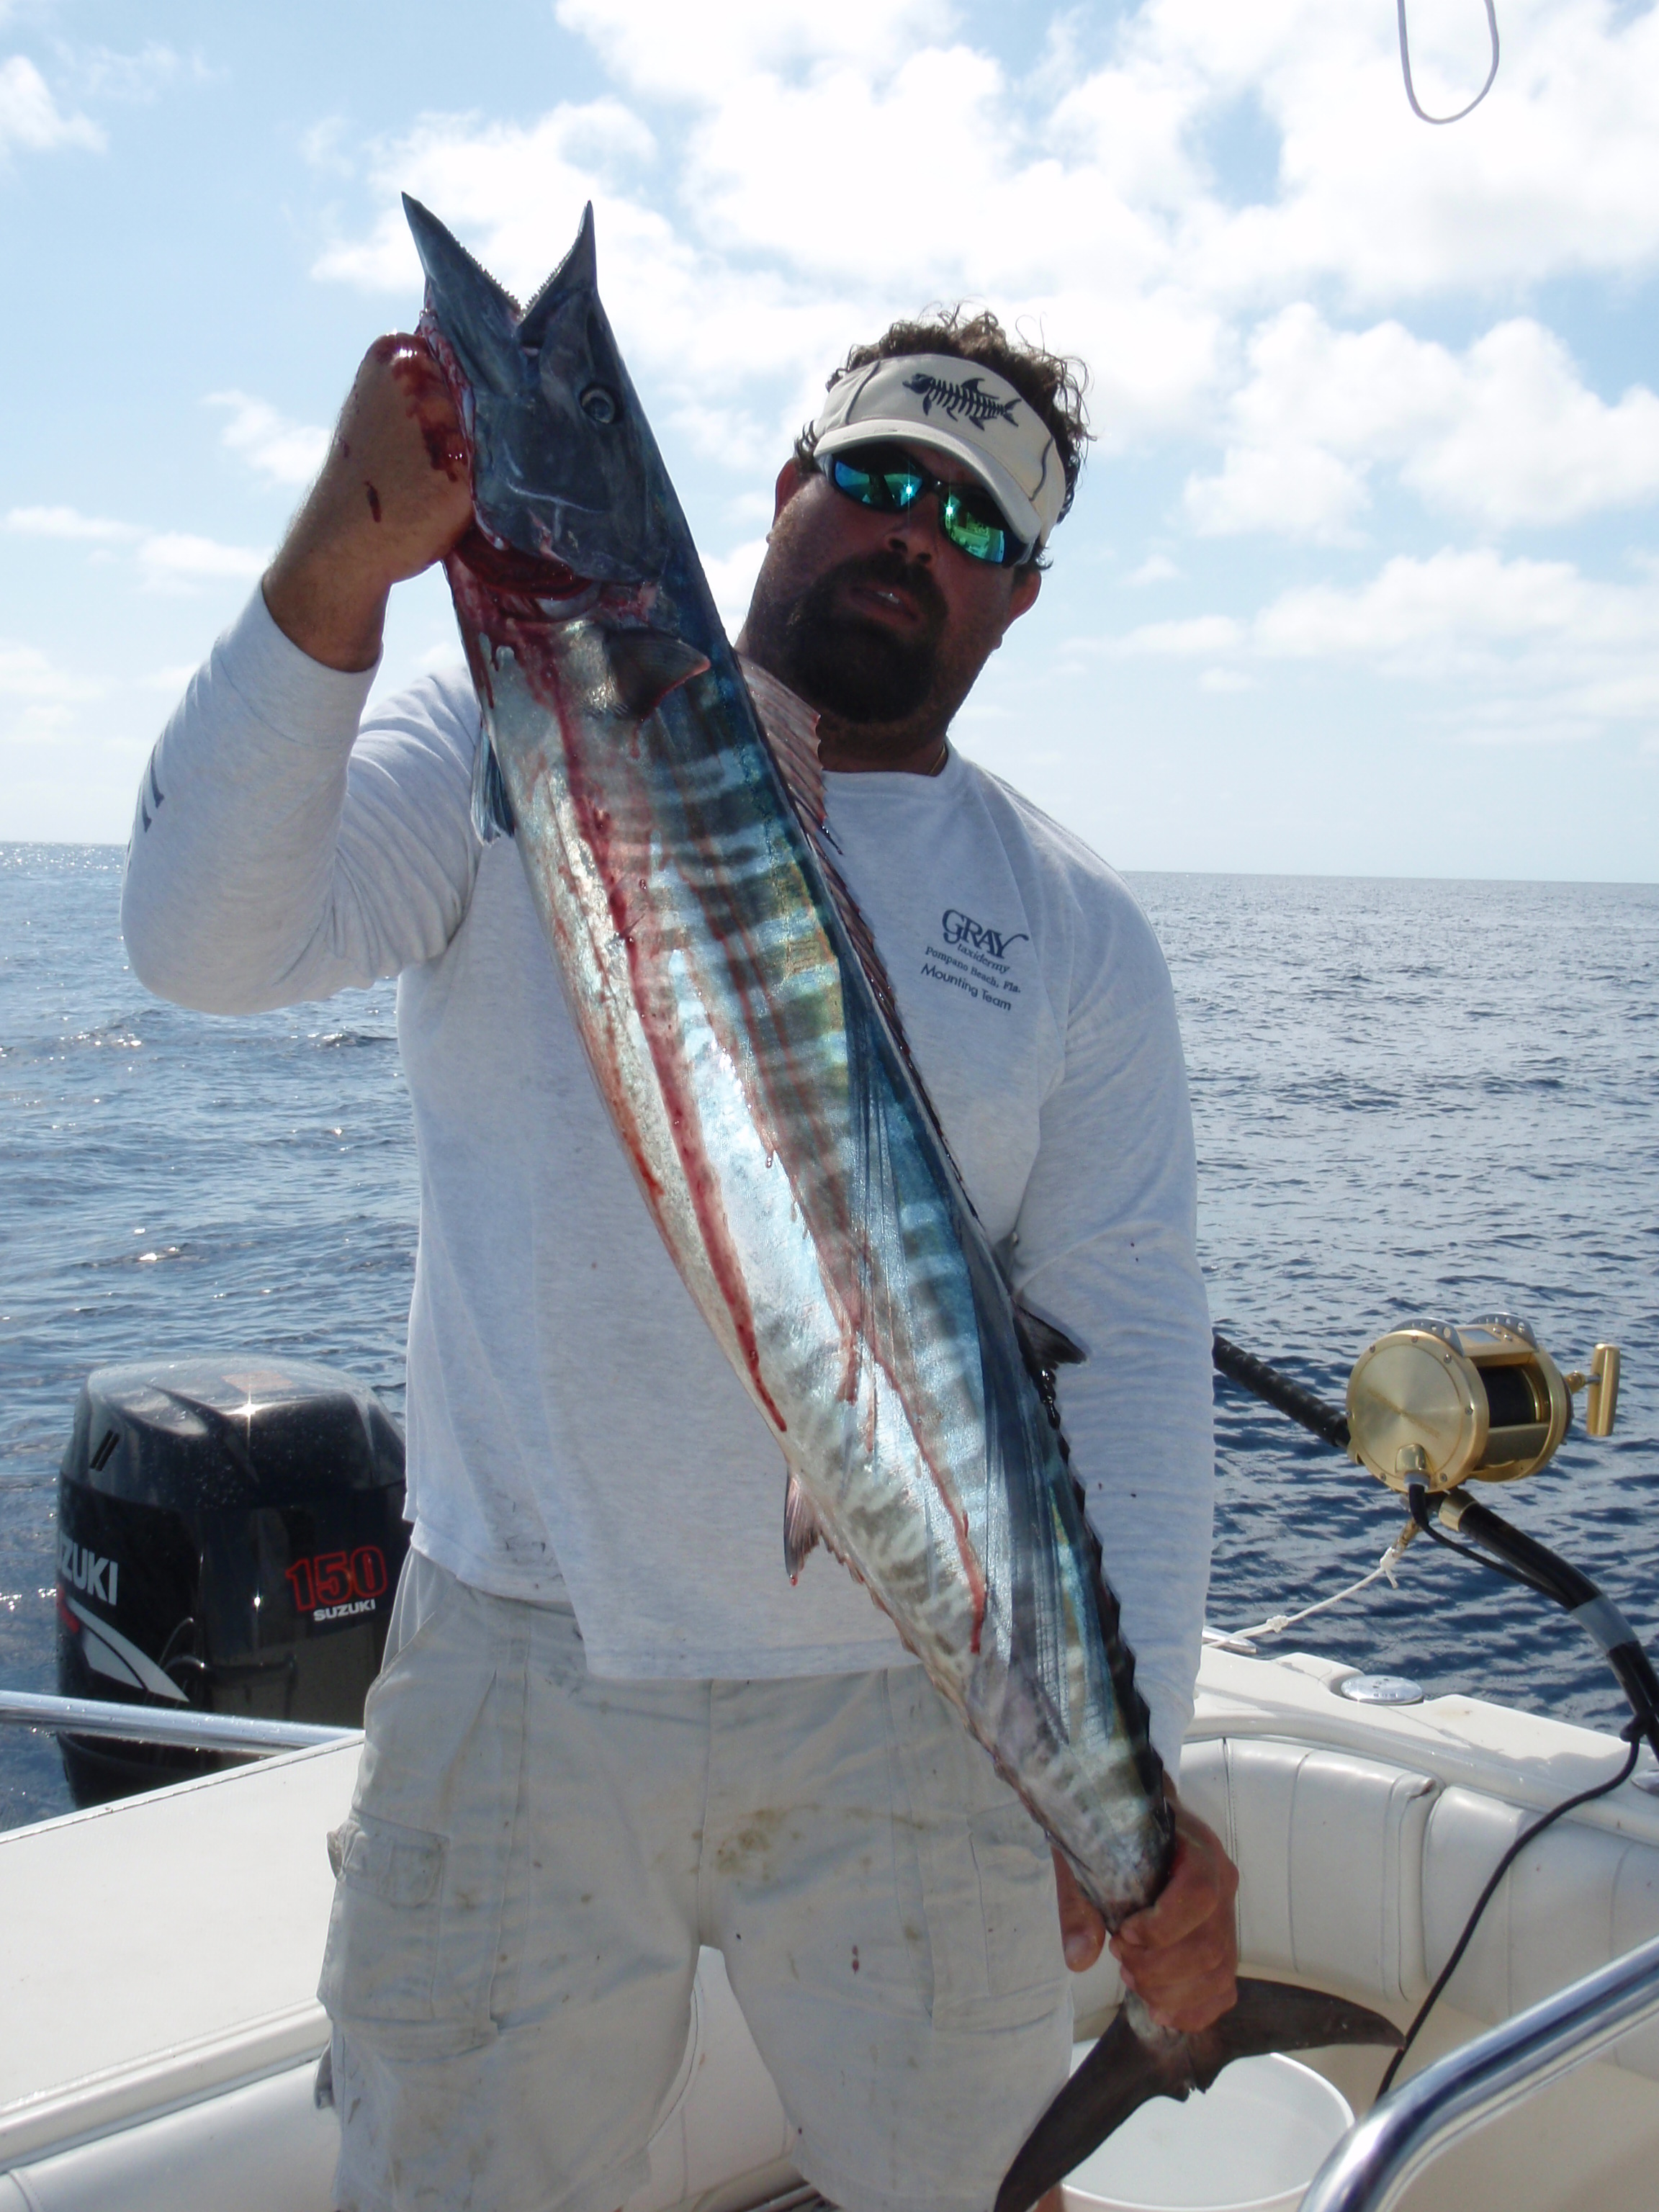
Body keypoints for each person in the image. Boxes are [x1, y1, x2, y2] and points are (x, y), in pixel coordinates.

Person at [122, 302, 1235, 2212]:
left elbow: (1128, 1355)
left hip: (919, 1704)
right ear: (788, 489)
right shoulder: (503, 731)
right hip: (517, 1667)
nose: (910, 535)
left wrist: (1132, 1796)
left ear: (1021, 598)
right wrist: (333, 567)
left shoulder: (1073, 929)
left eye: (969, 526)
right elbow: (201, 942)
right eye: (879, 480)